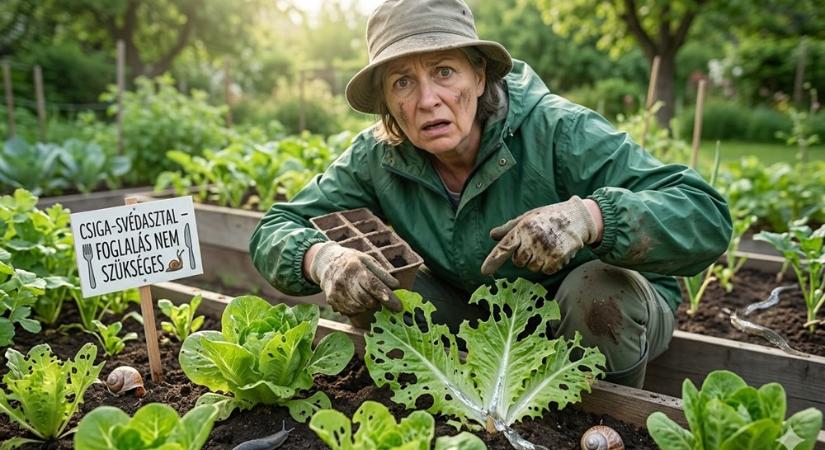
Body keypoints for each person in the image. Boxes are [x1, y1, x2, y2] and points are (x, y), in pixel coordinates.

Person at [250, 0, 732, 388]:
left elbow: (705, 214)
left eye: (444, 71)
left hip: (597, 317)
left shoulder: (558, 130)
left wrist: (590, 217)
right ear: (387, 104)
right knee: (377, 283)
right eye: (403, 82)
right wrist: (322, 259)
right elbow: (274, 229)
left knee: (598, 294)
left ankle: (604, 418)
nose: (427, 99)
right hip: (476, 312)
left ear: (480, 77)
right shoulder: (377, 156)